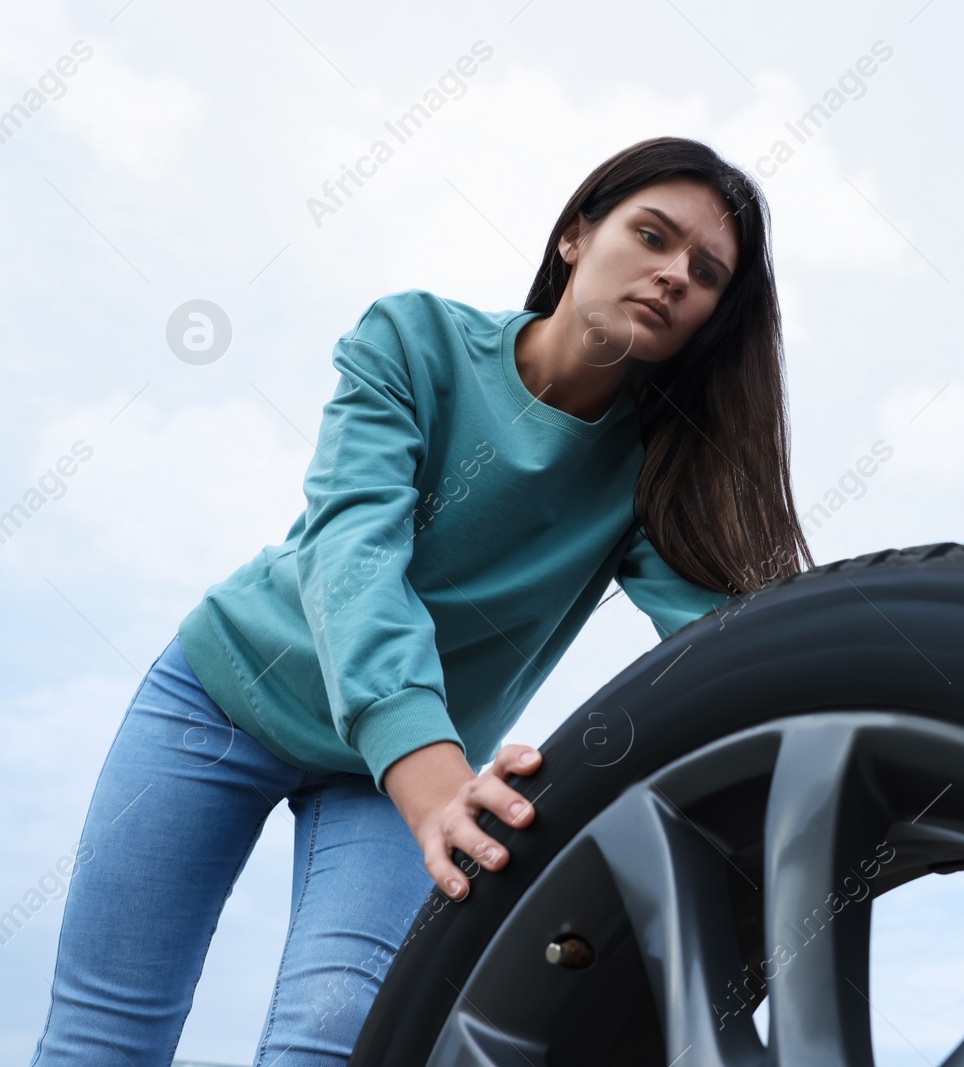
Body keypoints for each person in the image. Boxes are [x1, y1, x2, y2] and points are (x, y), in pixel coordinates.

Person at [28, 135, 813, 1067]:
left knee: (329, 1043)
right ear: (574, 236)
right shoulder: (412, 342)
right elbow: (354, 553)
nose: (675, 273)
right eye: (652, 234)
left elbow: (715, 645)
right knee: (106, 1031)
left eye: (708, 272)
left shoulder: (656, 472)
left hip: (385, 783)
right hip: (231, 700)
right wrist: (435, 775)